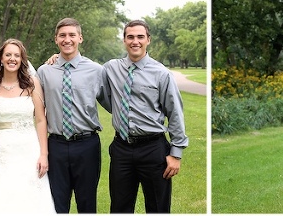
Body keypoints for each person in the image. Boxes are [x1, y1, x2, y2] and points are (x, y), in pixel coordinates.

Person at [102, 19, 188, 213]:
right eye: (130, 37)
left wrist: (176, 153)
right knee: (119, 207)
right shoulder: (110, 68)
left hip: (153, 149)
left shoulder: (161, 73)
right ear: (124, 40)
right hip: (121, 149)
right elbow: (97, 89)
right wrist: (59, 57)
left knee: (158, 207)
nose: (135, 41)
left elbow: (174, 112)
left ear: (148, 40)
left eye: (140, 37)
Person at [0, 38, 55, 213]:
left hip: (28, 149)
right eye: (8, 54)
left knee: (29, 196)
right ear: (1, 59)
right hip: (0, 151)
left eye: (17, 55)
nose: (12, 58)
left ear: (22, 59)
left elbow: (41, 120)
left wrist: (43, 155)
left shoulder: (32, 84)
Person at [37, 18, 109, 213]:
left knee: (87, 203)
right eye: (62, 35)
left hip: (87, 144)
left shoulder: (96, 70)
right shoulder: (44, 71)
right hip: (56, 145)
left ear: (80, 38)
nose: (67, 39)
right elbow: (37, 111)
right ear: (56, 39)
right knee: (57, 203)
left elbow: (112, 104)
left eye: (71, 35)